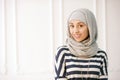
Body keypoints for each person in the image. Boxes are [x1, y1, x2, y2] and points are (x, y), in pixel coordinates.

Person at [54, 8, 108, 80]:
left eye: (81, 25)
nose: (75, 31)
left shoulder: (101, 55)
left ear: (90, 27)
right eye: (72, 26)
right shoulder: (62, 53)